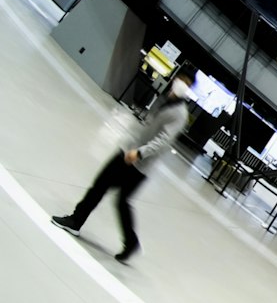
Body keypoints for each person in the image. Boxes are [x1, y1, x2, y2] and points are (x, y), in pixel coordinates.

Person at [51, 69, 195, 263]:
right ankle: (76, 221)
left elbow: (163, 140)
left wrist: (140, 153)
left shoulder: (180, 113)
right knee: (101, 185)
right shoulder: (165, 99)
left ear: (188, 89)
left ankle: (129, 241)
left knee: (121, 201)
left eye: (184, 82)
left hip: (139, 162)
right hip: (128, 150)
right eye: (179, 79)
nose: (179, 83)